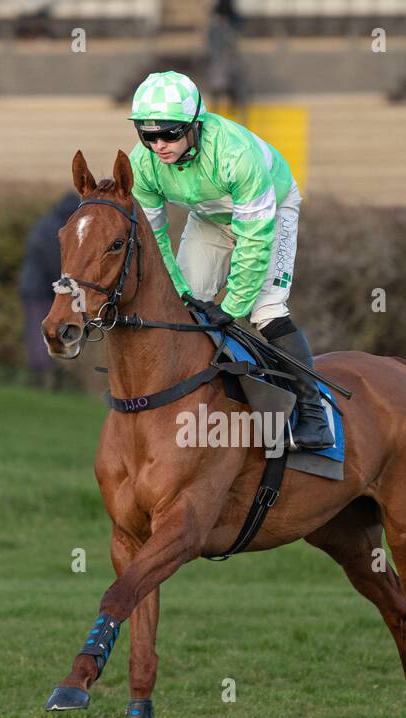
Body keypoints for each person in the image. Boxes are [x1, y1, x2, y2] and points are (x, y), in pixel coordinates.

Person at [126, 70, 333, 450]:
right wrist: (186, 291)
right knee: (182, 308)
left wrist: (232, 305)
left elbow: (254, 238)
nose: (159, 144)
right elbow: (154, 239)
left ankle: (315, 416)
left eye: (170, 133)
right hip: (209, 218)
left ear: (195, 124)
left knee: (265, 309)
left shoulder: (235, 152)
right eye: (148, 133)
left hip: (269, 211)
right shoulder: (142, 165)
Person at [20, 190, 79, 389]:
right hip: (40, 290)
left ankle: (43, 375)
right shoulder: (53, 229)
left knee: (38, 332)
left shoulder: (47, 224)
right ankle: (46, 377)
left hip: (34, 287)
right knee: (43, 332)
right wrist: (67, 284)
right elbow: (54, 263)